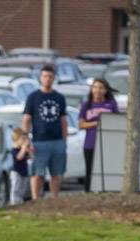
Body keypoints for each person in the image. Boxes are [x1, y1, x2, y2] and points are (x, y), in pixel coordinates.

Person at [21, 64, 69, 200]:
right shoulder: (33, 97)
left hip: (57, 141)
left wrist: (64, 142)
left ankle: (54, 199)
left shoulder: (59, 98)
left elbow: (63, 121)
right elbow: (26, 119)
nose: (47, 79)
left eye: (50, 76)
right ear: (40, 78)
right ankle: (36, 199)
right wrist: (26, 140)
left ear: (54, 78)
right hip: (39, 141)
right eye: (45, 76)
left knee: (56, 173)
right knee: (37, 173)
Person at [77, 77, 117, 193]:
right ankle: (89, 193)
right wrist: (96, 123)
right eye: (95, 87)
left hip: (106, 143)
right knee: (90, 170)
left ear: (106, 90)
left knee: (105, 170)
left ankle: (105, 192)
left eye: (101, 88)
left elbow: (116, 121)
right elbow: (81, 124)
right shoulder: (86, 105)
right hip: (90, 143)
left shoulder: (111, 104)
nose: (97, 90)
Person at [9, 127, 31, 206]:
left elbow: (30, 156)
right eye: (22, 139)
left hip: (24, 171)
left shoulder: (23, 149)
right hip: (16, 171)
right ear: (16, 140)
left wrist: (28, 149)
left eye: (25, 139)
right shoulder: (14, 149)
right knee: (16, 188)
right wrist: (23, 148)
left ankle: (20, 201)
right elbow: (19, 157)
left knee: (23, 188)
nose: (24, 141)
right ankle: (14, 202)